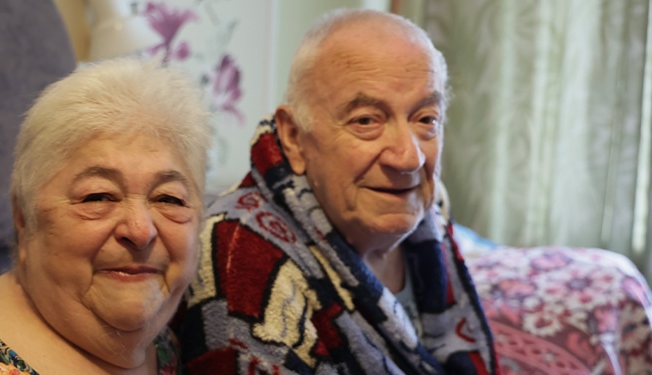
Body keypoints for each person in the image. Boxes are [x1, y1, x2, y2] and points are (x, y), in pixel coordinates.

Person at [178, 8, 498, 375]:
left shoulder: (429, 204)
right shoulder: (240, 253)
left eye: (426, 119)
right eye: (366, 121)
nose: (408, 158)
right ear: (294, 138)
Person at [0, 58, 210, 374]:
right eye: (98, 196)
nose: (141, 230)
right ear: (24, 219)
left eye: (168, 198)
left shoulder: (170, 337)